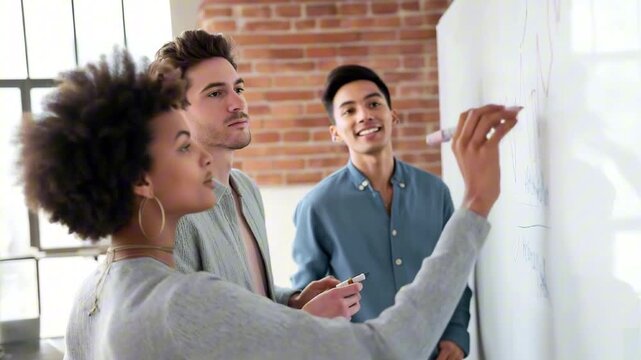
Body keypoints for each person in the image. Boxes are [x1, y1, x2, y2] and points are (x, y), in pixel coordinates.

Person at [19, 48, 520, 359]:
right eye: (182, 144)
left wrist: (290, 309)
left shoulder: (90, 296)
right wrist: (477, 201)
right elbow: (386, 349)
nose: (202, 158)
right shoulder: (183, 300)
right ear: (140, 181)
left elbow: (239, 319)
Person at [151, 30, 349, 316]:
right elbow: (188, 332)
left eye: (239, 89)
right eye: (216, 93)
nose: (238, 103)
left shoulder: (246, 188)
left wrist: (293, 301)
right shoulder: (173, 211)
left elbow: (248, 295)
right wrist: (301, 323)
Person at [290, 64, 469, 359]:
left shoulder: (435, 193)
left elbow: (455, 274)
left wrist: (456, 337)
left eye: (374, 103)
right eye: (349, 110)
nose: (364, 115)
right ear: (335, 133)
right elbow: (306, 299)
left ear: (392, 115)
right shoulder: (317, 206)